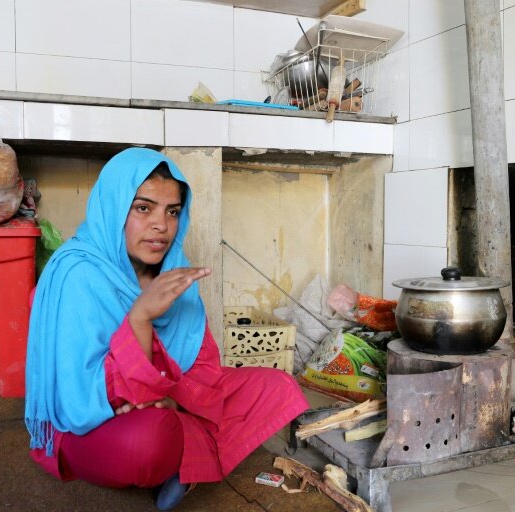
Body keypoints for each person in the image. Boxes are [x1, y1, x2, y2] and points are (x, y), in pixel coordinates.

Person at [24, 147, 309, 510]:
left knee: (275, 386)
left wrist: (174, 399)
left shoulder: (174, 272)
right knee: (148, 441)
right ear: (114, 208)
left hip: (168, 403)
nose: (161, 224)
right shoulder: (76, 275)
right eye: (143, 208)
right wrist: (139, 318)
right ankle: (184, 459)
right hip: (95, 421)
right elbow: (76, 396)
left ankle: (180, 461)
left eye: (172, 212)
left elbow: (205, 366)